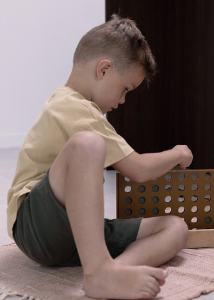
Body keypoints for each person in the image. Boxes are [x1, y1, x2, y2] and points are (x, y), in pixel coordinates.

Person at [7, 15, 193, 299]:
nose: (122, 101)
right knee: (88, 145)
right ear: (104, 69)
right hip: (36, 225)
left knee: (176, 228)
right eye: (126, 89)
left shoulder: (74, 104)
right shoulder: (74, 108)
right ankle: (99, 273)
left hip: (70, 236)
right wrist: (178, 152)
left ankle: (113, 271)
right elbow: (139, 169)